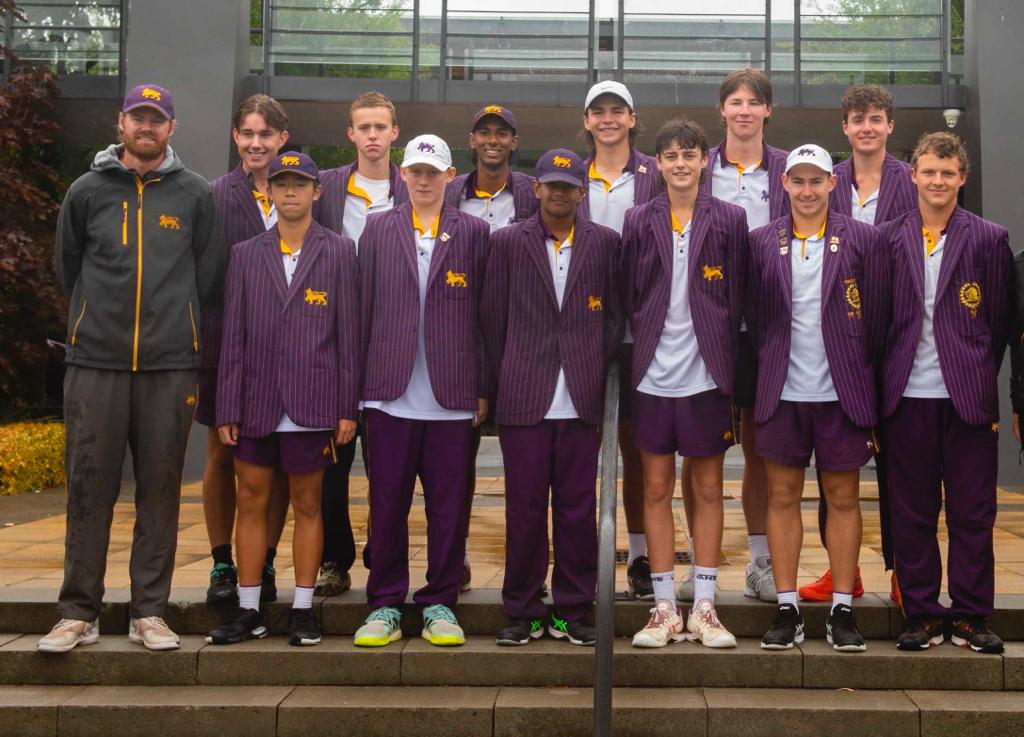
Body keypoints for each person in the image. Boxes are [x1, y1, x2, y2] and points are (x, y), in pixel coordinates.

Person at [40, 84, 226, 653]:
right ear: (121, 123)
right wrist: (99, 322)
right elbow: (67, 267)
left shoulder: (194, 195)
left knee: (161, 489)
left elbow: (209, 276)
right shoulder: (87, 191)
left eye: (158, 120)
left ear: (171, 128)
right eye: (138, 118)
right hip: (95, 362)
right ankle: (79, 612)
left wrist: (175, 328)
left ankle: (150, 611)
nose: (147, 128)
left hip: (169, 366)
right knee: (89, 489)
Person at [209, 152, 359, 646]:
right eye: (281, 184)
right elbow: (233, 336)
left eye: (300, 184)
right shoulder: (246, 254)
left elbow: (348, 337)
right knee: (251, 501)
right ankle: (249, 608)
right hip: (256, 402)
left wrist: (346, 407)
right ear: (268, 191)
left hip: (313, 403)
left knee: (308, 503)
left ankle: (301, 608)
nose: (290, 192)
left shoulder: (339, 251)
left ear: (318, 191)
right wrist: (227, 405)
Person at [352, 135, 489, 648]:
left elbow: (485, 316)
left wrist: (482, 385)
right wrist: (356, 391)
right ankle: (385, 603)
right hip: (388, 394)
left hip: (452, 396)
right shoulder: (378, 228)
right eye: (415, 171)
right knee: (386, 503)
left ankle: (440, 602)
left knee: (449, 507)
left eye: (433, 172)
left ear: (450, 176)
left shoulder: (475, 232)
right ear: (402, 175)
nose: (424, 180)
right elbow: (363, 309)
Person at [483, 148, 623, 647]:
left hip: (580, 398)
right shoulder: (506, 244)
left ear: (582, 192)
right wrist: (492, 388)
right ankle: (521, 608)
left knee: (577, 510)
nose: (559, 192)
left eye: (569, 185)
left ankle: (571, 609)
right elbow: (492, 320)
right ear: (536, 188)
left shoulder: (606, 243)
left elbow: (614, 318)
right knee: (523, 509)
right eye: (551, 184)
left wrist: (589, 358)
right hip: (525, 395)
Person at [748, 145, 885, 653]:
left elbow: (879, 316)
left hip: (841, 393)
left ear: (833, 184)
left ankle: (842, 609)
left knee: (844, 498)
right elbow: (754, 318)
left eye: (817, 181)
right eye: (798, 181)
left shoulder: (864, 240)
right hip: (782, 392)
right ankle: (787, 607)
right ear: (784, 184)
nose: (807, 190)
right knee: (782, 498)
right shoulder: (761, 241)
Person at [881, 132, 1011, 654]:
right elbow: (880, 323)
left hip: (968, 398)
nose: (937, 181)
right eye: (929, 171)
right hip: (907, 395)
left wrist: (973, 368)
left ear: (962, 179)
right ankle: (922, 614)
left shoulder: (988, 238)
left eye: (948, 172)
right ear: (913, 175)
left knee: (972, 511)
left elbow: (998, 320)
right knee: (911, 511)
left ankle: (972, 615)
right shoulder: (887, 238)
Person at [625, 119, 747, 649]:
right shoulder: (636, 220)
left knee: (706, 489)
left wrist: (730, 371)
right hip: (652, 376)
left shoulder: (730, 219)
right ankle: (663, 608)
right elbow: (630, 293)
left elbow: (740, 300)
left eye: (689, 154)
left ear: (704, 161)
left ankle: (703, 605)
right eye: (669, 155)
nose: (679, 163)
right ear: (656, 163)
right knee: (654, 488)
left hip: (706, 376)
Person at [803, 83, 917, 604]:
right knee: (835, 469)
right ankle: (841, 572)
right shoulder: (832, 180)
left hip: (894, 334)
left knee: (898, 467)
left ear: (890, 125)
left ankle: (903, 570)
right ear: (844, 128)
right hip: (837, 339)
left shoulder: (909, 180)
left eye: (875, 118)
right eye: (857, 119)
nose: (866, 127)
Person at [684, 68, 789, 604]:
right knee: (697, 450)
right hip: (706, 325)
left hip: (766, 327)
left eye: (754, 102)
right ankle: (696, 564)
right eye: (735, 102)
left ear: (767, 111)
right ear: (721, 110)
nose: (744, 110)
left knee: (759, 450)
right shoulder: (699, 169)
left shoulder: (792, 171)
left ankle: (760, 561)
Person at [313, 91, 408, 596]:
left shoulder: (417, 185)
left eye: (381, 126)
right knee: (333, 458)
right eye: (363, 127)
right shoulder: (325, 188)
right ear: (350, 135)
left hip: (392, 338)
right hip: (333, 336)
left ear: (396, 133)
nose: (372, 135)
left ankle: (383, 550)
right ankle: (334, 557)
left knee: (387, 462)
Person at [202, 94, 293, 606]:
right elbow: (204, 276)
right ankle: (221, 562)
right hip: (225, 350)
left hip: (289, 358)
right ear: (236, 137)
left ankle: (267, 560)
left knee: (278, 461)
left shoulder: (302, 192)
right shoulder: (214, 195)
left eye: (266, 134)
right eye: (247, 133)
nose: (256, 143)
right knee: (221, 453)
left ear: (282, 138)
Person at [445, 104, 538, 591]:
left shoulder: (532, 192)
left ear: (514, 142)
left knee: (528, 471)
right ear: (472, 139)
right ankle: (454, 557)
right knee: (459, 463)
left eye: (503, 133)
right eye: (485, 132)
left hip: (521, 334)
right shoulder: (449, 191)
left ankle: (530, 571)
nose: (493, 140)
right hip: (461, 335)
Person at [578, 80, 661, 600]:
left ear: (632, 118)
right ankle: (583, 556)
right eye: (598, 111)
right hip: (583, 331)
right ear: (587, 121)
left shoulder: (655, 173)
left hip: (642, 332)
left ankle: (639, 555)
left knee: (638, 449)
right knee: (583, 451)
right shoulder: (567, 175)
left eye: (617, 110)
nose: (608, 119)